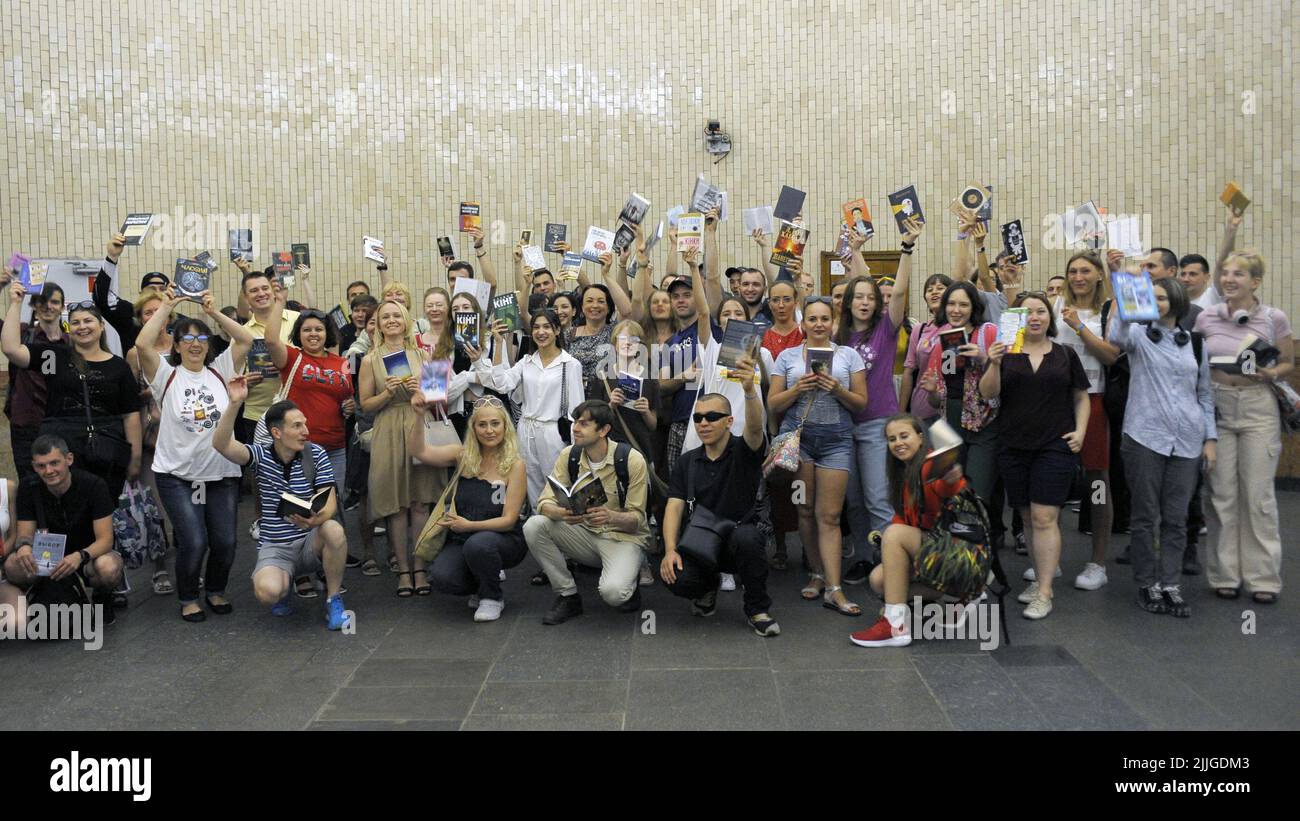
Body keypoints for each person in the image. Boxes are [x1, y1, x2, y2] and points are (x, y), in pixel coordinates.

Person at [134, 289, 254, 621]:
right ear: (175, 344)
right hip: (177, 475)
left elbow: (245, 339)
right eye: (186, 338)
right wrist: (169, 306)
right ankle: (188, 596)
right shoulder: (165, 373)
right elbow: (142, 344)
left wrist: (213, 313)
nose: (195, 343)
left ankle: (215, 590)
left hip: (221, 473)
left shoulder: (221, 366)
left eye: (201, 337)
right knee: (194, 541)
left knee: (226, 542)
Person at [1107, 277, 1215, 617]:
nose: (1159, 302)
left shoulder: (1196, 344)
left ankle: (1171, 584)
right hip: (1144, 436)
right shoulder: (1139, 335)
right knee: (1144, 516)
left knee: (1177, 518)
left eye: (1164, 297)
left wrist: (1210, 439)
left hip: (1187, 438)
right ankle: (1146, 583)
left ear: (1177, 301)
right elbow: (1115, 337)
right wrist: (1125, 287)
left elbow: (1205, 394)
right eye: (1152, 297)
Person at [980, 294, 1091, 620]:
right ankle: (1040, 575)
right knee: (1027, 517)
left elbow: (1081, 397)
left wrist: (1081, 432)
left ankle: (1045, 591)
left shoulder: (1065, 354)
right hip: (1013, 445)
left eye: (1041, 311)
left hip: (1054, 445)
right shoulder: (1006, 354)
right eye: (1027, 312)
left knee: (1045, 517)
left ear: (1049, 317)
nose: (1034, 317)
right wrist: (995, 362)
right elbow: (989, 394)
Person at [1195, 240, 1292, 604]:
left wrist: (1270, 373)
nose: (1229, 278)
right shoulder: (1208, 316)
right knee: (1221, 495)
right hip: (1217, 405)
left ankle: (1262, 577)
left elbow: (1287, 364)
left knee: (1258, 496)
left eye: (1239, 273)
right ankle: (1225, 574)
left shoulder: (1273, 318)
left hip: (1257, 408)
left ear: (1256, 281)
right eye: (1225, 273)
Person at [212, 383, 351, 629]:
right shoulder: (261, 456)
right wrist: (234, 403)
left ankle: (333, 599)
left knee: (334, 529)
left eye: (305, 424)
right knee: (269, 591)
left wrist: (315, 520)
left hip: (311, 541)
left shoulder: (316, 454)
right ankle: (284, 585)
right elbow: (222, 445)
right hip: (276, 546)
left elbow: (329, 503)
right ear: (277, 432)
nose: (305, 431)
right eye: (297, 426)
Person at [768, 297, 868, 616]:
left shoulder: (849, 356)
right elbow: (773, 403)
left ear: (833, 322)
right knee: (806, 511)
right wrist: (799, 388)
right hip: (800, 443)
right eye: (812, 318)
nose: (819, 324)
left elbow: (860, 404)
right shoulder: (786, 356)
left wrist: (836, 388)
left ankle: (834, 588)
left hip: (837, 440)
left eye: (825, 318)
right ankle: (816, 572)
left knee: (830, 516)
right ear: (804, 323)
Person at [2, 283, 142, 504]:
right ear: (69, 327)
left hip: (107, 454)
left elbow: (130, 415)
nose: (82, 327)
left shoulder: (119, 366)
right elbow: (11, 349)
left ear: (102, 326)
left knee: (104, 510)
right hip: (64, 454)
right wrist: (16, 302)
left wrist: (134, 459)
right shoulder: (55, 356)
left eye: (88, 321)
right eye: (75, 322)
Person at [660, 382, 780, 636]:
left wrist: (749, 392)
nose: (704, 423)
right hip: (702, 543)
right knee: (675, 575)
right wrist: (670, 550)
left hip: (739, 539)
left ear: (729, 421)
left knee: (748, 537)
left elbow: (756, 429)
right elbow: (674, 506)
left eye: (713, 417)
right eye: (698, 417)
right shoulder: (687, 461)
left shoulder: (744, 451)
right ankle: (706, 589)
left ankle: (757, 609)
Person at [838, 217, 920, 583]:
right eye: (859, 297)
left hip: (875, 426)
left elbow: (898, 294)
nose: (865, 302)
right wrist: (855, 253)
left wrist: (907, 249)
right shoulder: (839, 337)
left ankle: (895, 561)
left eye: (871, 298)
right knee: (852, 501)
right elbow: (861, 281)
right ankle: (867, 557)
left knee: (877, 499)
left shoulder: (886, 332)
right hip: (842, 427)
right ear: (849, 302)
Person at [523, 400, 652, 624]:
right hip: (584, 534)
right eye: (575, 422)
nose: (575, 428)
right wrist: (561, 513)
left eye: (583, 424)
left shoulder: (631, 459)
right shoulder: (569, 455)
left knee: (613, 594)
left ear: (604, 430)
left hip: (621, 538)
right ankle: (567, 595)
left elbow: (638, 521)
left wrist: (611, 516)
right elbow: (544, 503)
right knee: (534, 525)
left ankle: (629, 580)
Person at [850, 414, 971, 647]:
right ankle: (957, 594)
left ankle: (895, 625)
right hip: (940, 553)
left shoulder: (928, 466)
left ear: (920, 437)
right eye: (892, 439)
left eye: (904, 436)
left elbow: (947, 487)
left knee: (894, 535)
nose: (898, 443)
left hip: (960, 554)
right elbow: (902, 517)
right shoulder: (903, 475)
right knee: (878, 580)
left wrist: (951, 480)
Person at [264, 291, 356, 594]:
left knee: (328, 508)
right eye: (307, 330)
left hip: (335, 447)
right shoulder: (291, 358)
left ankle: (325, 572)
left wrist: (350, 406)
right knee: (299, 506)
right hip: (300, 448)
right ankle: (298, 572)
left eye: (318, 329)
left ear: (326, 332)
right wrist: (279, 301)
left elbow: (346, 398)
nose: (313, 334)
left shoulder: (341, 362)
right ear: (299, 334)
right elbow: (270, 340)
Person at [408, 396, 529, 622]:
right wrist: (417, 414)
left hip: (503, 539)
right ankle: (482, 582)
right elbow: (419, 451)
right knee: (441, 577)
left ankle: (492, 597)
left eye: (495, 423)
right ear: (473, 428)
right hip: (462, 539)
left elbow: (509, 520)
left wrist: (468, 526)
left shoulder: (515, 465)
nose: (489, 430)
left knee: (479, 545)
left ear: (505, 426)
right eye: (482, 424)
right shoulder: (462, 456)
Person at [359, 299, 442, 597]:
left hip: (420, 423)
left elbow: (438, 398)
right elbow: (365, 404)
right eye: (386, 317)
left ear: (406, 321)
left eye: (397, 315)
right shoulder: (370, 360)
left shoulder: (424, 355)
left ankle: (420, 567)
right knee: (396, 505)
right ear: (378, 324)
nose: (392, 320)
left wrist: (418, 393)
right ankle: (403, 570)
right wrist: (387, 393)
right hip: (389, 428)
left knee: (420, 502)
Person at [2, 435, 123, 625]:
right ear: (34, 466)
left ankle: (102, 596)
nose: (48, 471)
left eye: (54, 463)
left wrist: (79, 556)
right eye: (41, 466)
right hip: (49, 556)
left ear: (69, 460)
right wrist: (24, 546)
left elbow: (106, 539)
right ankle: (44, 597)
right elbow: (25, 533)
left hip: (87, 555)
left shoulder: (93, 485)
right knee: (12, 565)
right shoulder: (29, 487)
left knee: (108, 567)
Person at [1054, 251, 1121, 592]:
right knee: (1049, 475)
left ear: (1098, 275)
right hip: (1056, 401)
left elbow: (1111, 354)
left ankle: (1098, 562)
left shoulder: (1108, 310)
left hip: (1093, 399)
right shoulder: (1056, 306)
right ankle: (1047, 558)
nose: (1078, 276)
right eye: (1073, 271)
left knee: (1097, 481)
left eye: (1085, 270)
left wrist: (1079, 327)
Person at [481, 308, 584, 507]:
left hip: (554, 432)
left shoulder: (570, 364)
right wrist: (500, 344)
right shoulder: (526, 362)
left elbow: (576, 409)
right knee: (531, 483)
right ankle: (537, 529)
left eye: (547, 327)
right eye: (536, 327)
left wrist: (576, 445)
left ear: (556, 330)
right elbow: (501, 383)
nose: (541, 332)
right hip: (526, 430)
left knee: (557, 483)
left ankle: (560, 529)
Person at [917, 281, 1000, 505]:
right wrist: (932, 391)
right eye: (951, 304)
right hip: (949, 420)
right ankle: (954, 539)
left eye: (963, 304)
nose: (956, 310)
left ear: (974, 308)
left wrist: (983, 358)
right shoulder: (941, 342)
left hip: (984, 422)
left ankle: (984, 536)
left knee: (977, 493)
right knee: (949, 491)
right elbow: (937, 402)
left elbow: (1007, 372)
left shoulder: (988, 332)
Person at [1, 276, 65, 480]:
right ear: (34, 305)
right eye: (42, 301)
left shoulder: (71, 339)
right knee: (30, 481)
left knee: (62, 478)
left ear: (62, 306)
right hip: (26, 422)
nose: (48, 306)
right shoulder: (20, 333)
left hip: (62, 420)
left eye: (54, 301)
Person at [759, 279, 803, 570]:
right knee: (776, 481)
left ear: (795, 301)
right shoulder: (762, 337)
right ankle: (781, 544)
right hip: (767, 411)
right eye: (775, 300)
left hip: (801, 413)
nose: (781, 305)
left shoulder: (804, 333)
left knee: (803, 484)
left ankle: (809, 545)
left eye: (787, 299)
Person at [94, 231, 169, 354]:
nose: (157, 293)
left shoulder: (179, 321)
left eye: (162, 289)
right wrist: (111, 257)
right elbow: (101, 297)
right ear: (141, 294)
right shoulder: (129, 314)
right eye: (151, 289)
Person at [898, 273, 952, 418]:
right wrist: (902, 413)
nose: (934, 292)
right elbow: (908, 372)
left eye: (940, 288)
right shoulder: (919, 329)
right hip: (921, 408)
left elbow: (951, 371)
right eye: (929, 290)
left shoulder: (955, 329)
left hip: (948, 409)